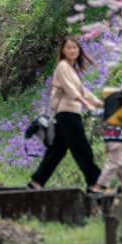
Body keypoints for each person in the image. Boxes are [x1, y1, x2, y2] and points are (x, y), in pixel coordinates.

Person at [28, 37, 107, 194]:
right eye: (69, 48)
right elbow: (70, 89)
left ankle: (36, 182)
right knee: (82, 149)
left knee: (57, 150)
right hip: (67, 114)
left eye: (75, 47)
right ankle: (94, 183)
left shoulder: (72, 69)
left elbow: (83, 91)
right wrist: (85, 103)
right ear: (63, 51)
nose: (73, 50)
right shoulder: (63, 66)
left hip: (67, 114)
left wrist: (101, 103)